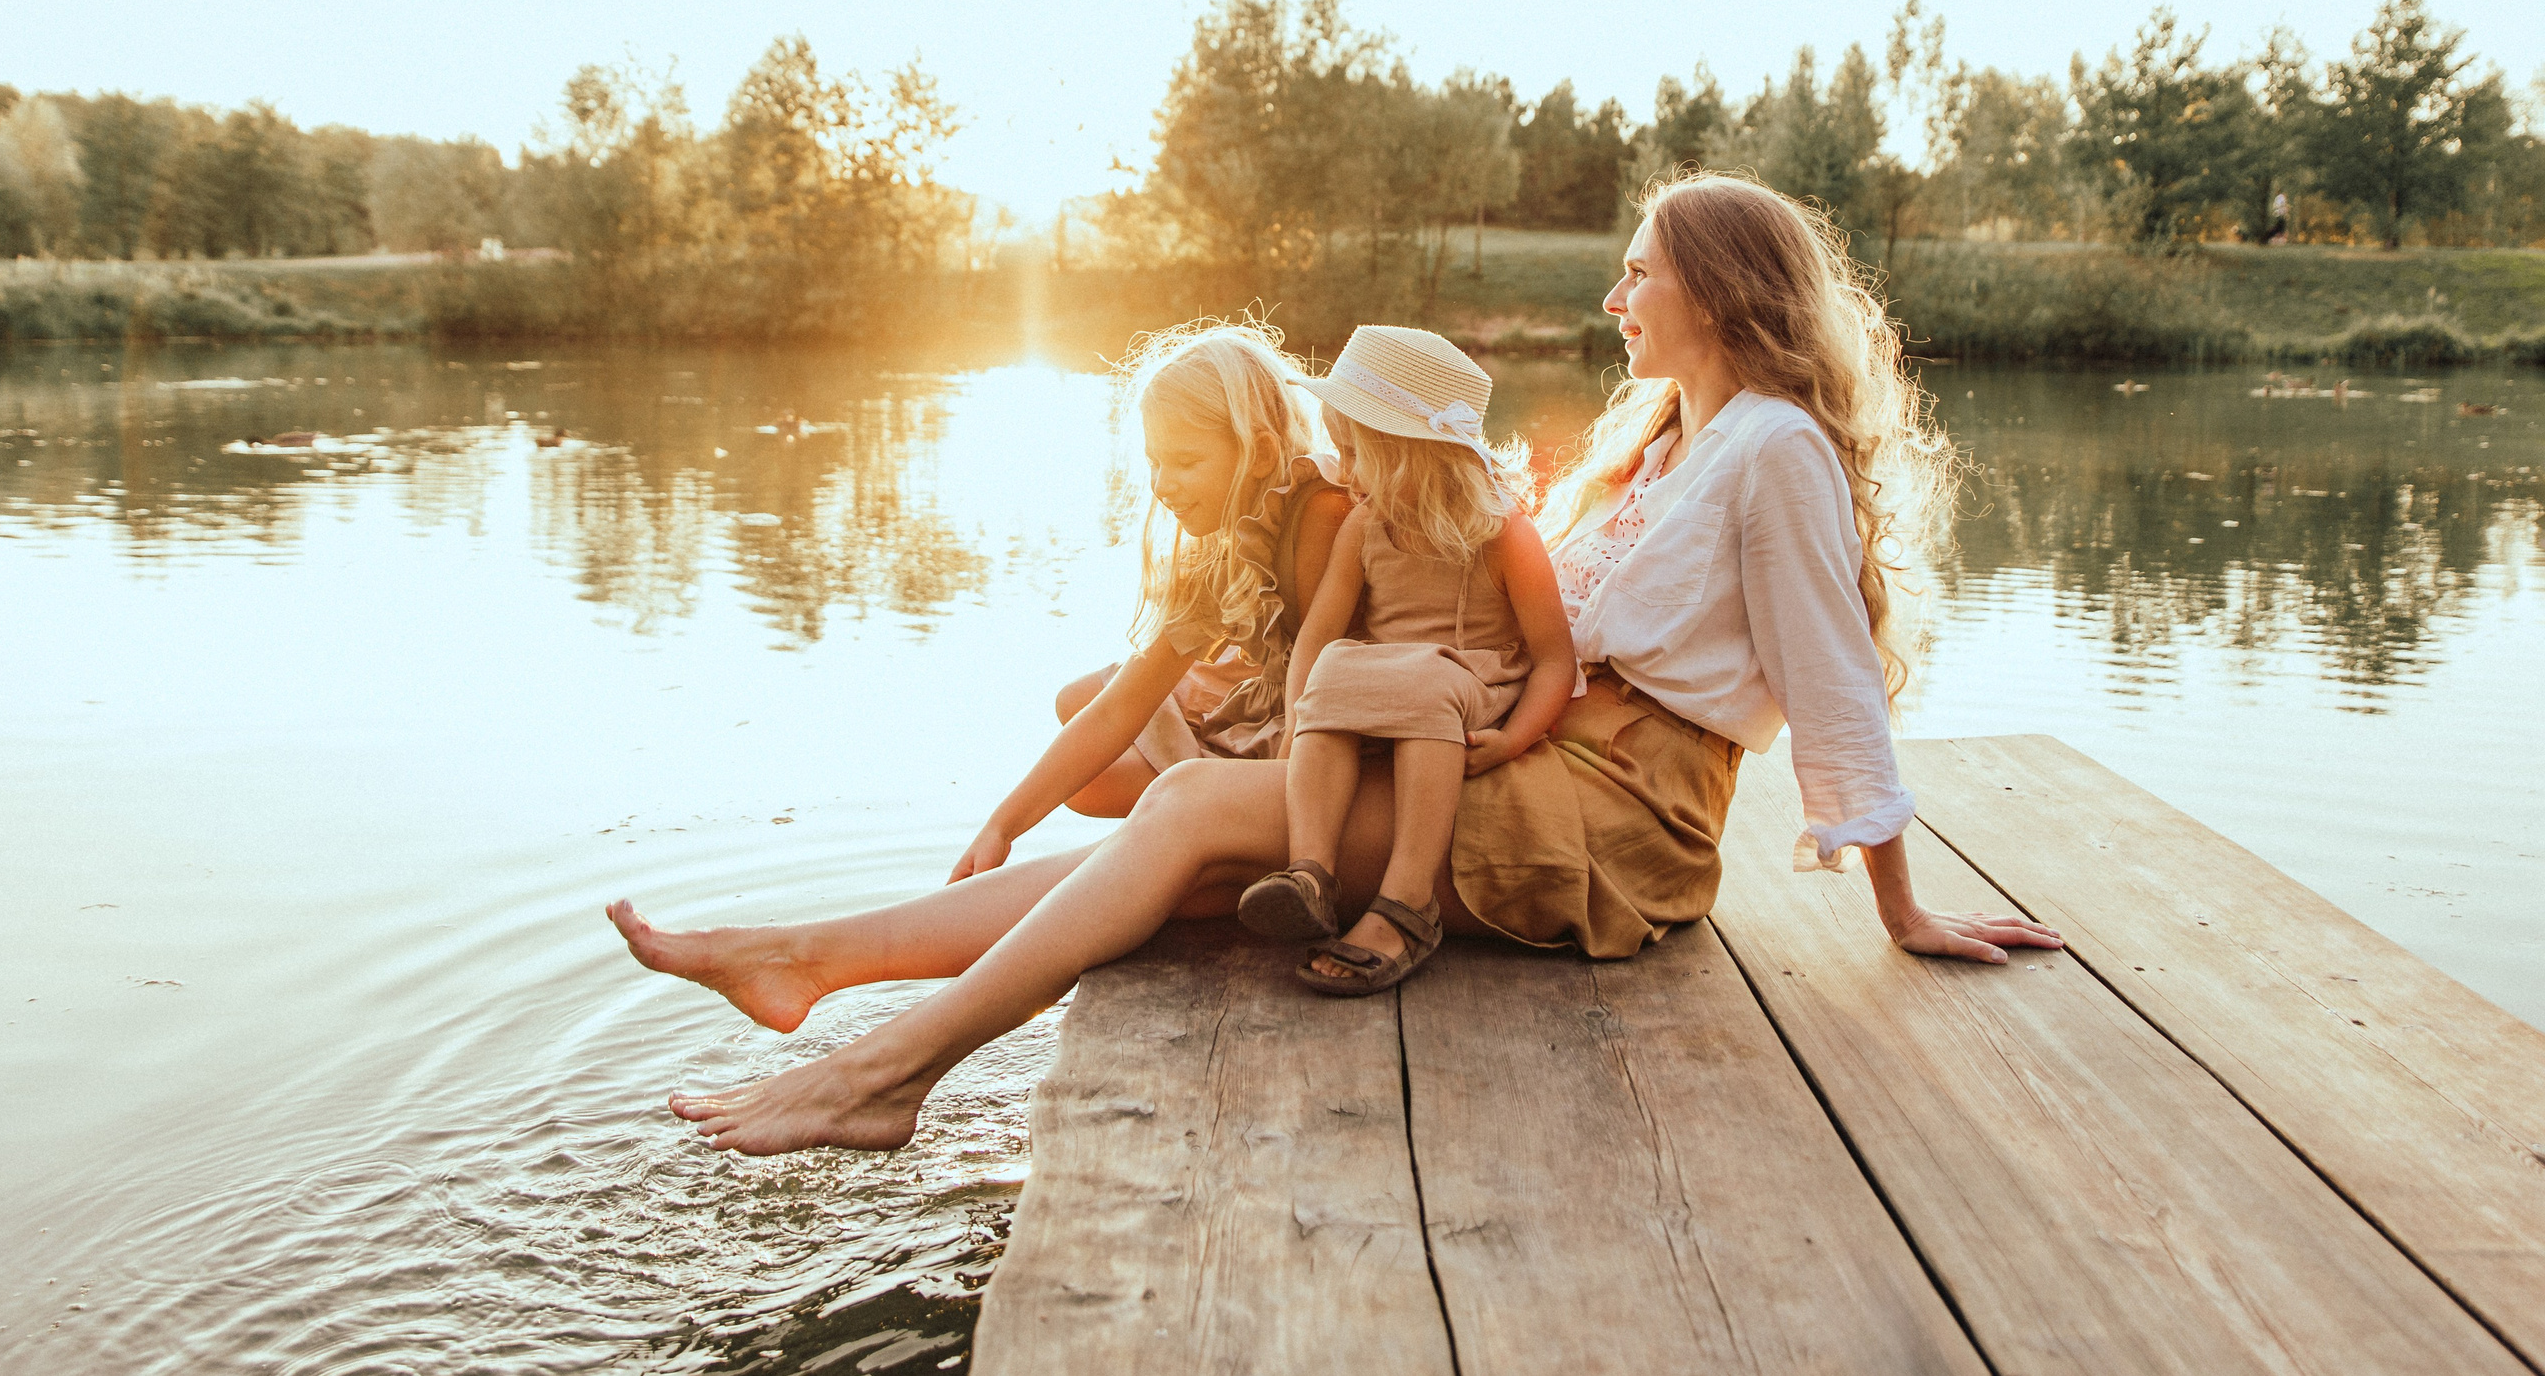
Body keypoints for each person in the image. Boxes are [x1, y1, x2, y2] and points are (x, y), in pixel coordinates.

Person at [610, 174, 2061, 1156]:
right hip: (1534, 764)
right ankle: (814, 962)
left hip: (1623, 825)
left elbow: (1833, 684)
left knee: (1186, 816)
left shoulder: (1778, 450)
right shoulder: (1661, 438)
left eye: (1639, 274)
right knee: (1186, 850)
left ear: (1717, 290)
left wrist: (1902, 904)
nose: (1616, 299)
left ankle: (880, 1074)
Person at [941, 319, 1350, 880]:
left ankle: (1199, 844)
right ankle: (1187, 823)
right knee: (1084, 716)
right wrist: (1001, 827)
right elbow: (1119, 705)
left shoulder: (1316, 517)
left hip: (1330, 740)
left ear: (1257, 454)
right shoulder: (1224, 538)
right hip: (1281, 711)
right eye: (1155, 462)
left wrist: (1255, 819)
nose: (1161, 484)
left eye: (1184, 462)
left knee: (1119, 788)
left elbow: (1321, 698)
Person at [1237, 327, 1575, 994]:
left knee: (1424, 683)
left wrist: (1512, 740)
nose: (1345, 473)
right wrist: (1295, 723)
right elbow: (1319, 633)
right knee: (1336, 667)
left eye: (1356, 454)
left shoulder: (1504, 534)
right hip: (1390, 674)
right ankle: (1309, 871)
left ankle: (1408, 897)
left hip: (1473, 676)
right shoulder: (1366, 525)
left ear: (1411, 454)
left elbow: (1554, 661)